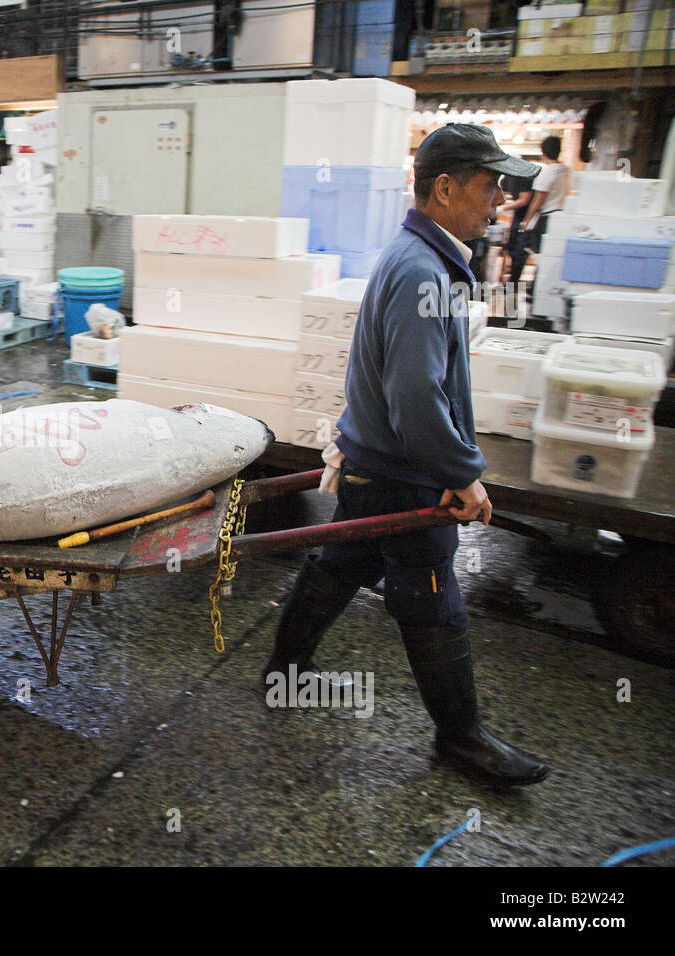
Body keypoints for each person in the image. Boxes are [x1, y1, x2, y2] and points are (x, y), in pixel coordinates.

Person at [262, 124, 549, 787]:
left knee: (342, 560)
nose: (500, 200)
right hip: (400, 471)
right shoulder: (424, 269)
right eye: (490, 185)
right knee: (432, 596)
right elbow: (416, 396)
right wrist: (462, 476)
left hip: (375, 461)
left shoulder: (421, 256)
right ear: (445, 188)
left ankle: (287, 671)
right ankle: (461, 738)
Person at [510, 135, 570, 285]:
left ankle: (515, 284)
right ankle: (537, 286)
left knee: (527, 252)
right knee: (547, 254)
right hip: (561, 216)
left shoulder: (547, 172)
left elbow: (538, 199)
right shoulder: (565, 170)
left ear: (543, 152)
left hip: (545, 217)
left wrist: (527, 219)